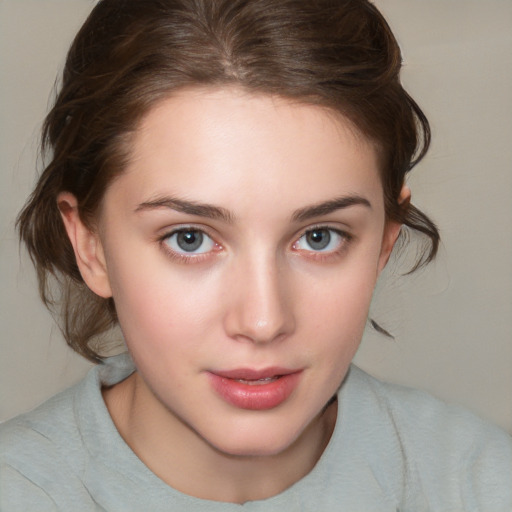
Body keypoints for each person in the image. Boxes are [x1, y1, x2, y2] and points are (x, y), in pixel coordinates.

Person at [1, 0, 511, 510]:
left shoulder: (482, 483)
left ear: (384, 239)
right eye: (189, 239)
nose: (263, 322)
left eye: (320, 237)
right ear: (90, 246)